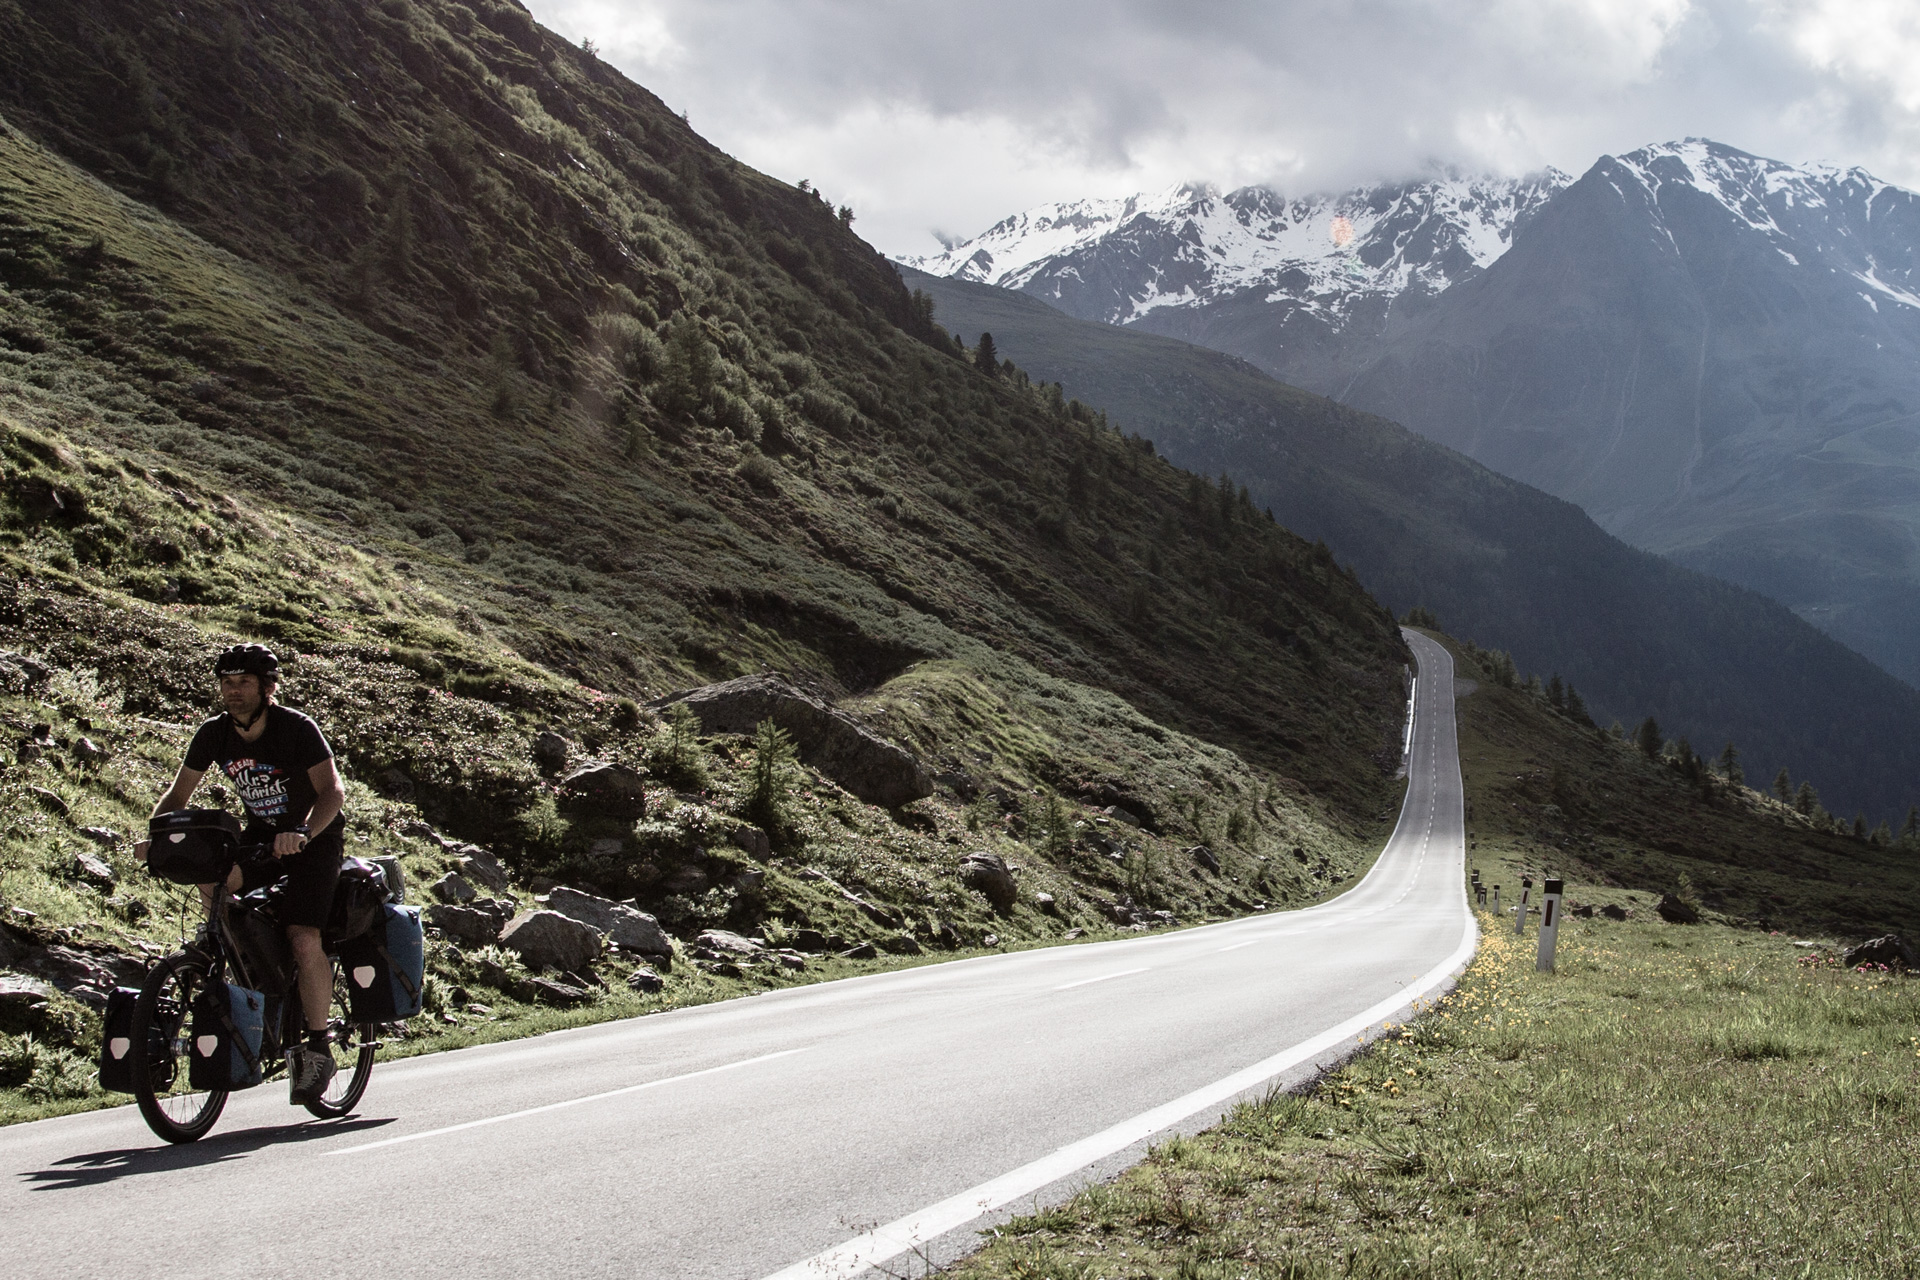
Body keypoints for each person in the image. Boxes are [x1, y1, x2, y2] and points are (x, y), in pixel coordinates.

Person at [134, 644, 348, 1104]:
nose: (233, 692)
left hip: (314, 838)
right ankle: (233, 961)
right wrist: (155, 837)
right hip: (262, 835)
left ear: (267, 688)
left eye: (244, 683)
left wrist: (304, 832)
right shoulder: (214, 733)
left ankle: (316, 1045)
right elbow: (178, 796)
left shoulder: (296, 728)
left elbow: (332, 791)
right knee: (213, 877)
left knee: (304, 935)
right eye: (227, 683)